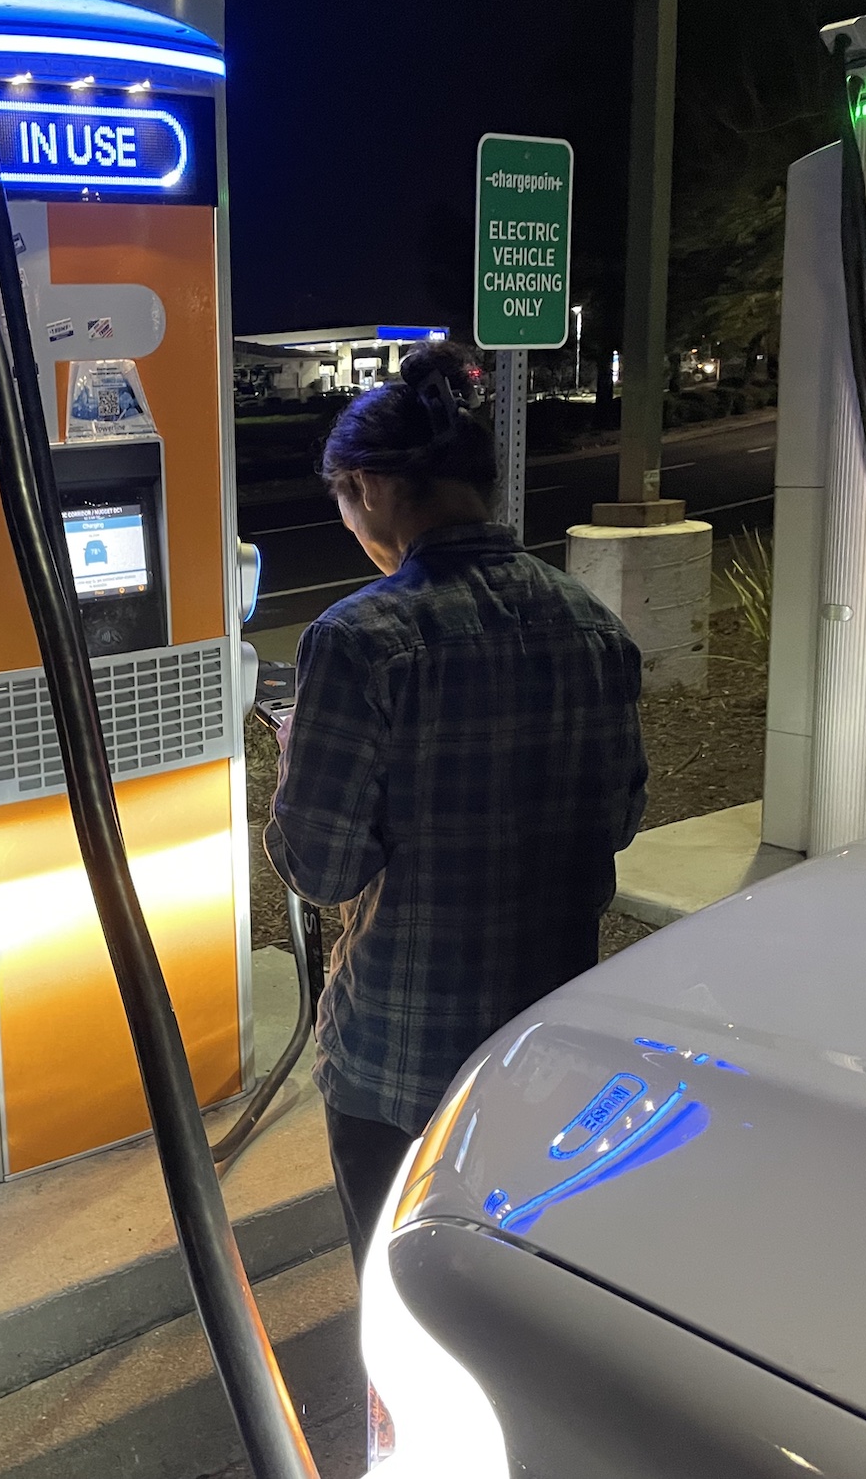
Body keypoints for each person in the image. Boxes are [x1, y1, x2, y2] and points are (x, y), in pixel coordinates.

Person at [265, 347, 647, 1268]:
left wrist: (293, 758)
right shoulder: (591, 625)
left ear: (372, 489)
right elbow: (621, 817)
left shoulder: (360, 641)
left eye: (346, 503)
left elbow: (320, 869)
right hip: (548, 1046)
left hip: (401, 1057)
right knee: (519, 1291)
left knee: (406, 1297)